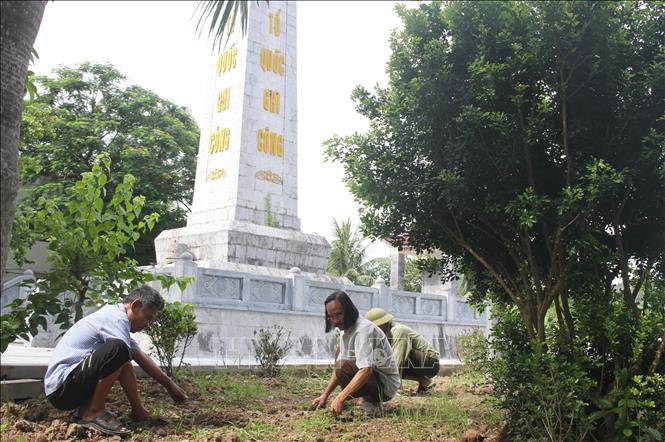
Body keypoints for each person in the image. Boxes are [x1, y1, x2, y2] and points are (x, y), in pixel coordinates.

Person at [44, 285, 188, 436]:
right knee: (119, 350)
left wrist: (170, 385)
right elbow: (122, 355)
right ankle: (94, 411)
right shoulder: (115, 318)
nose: (147, 325)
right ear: (136, 306)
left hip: (69, 387)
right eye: (147, 318)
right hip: (62, 388)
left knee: (122, 353)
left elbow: (139, 356)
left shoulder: (118, 323)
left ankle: (88, 410)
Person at [313, 290, 400, 415]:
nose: (335, 320)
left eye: (339, 314)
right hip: (370, 379)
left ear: (348, 311)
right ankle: (362, 400)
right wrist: (325, 395)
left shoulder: (364, 330)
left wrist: (340, 398)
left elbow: (366, 370)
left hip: (384, 385)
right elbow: (339, 368)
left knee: (344, 365)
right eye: (331, 317)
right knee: (340, 362)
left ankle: (370, 402)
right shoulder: (345, 330)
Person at [365, 307, 440, 394]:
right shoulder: (384, 334)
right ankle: (423, 380)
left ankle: (397, 386)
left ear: (382, 324)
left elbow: (398, 358)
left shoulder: (398, 330)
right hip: (419, 362)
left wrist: (394, 385)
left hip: (430, 363)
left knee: (390, 359)